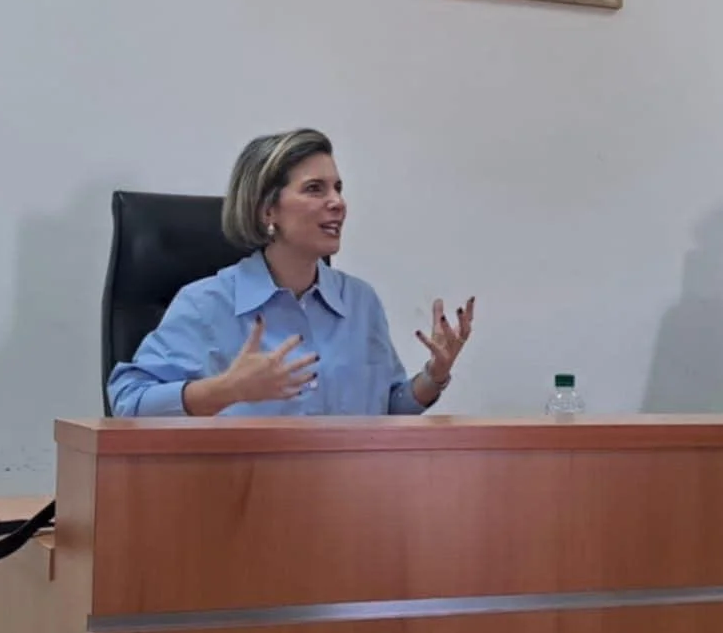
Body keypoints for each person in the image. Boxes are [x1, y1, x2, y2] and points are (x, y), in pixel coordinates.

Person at [106, 129, 475, 417]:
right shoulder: (207, 304)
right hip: (243, 487)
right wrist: (226, 390)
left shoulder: (360, 301)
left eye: (338, 188)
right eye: (315, 189)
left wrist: (434, 375)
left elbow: (385, 411)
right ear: (267, 210)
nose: (338, 202)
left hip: (349, 487)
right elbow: (126, 401)